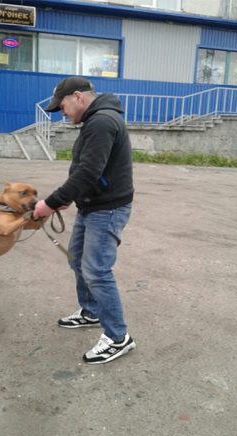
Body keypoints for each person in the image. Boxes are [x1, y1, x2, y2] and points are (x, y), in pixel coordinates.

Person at [33, 76, 135, 364]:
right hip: (92, 205)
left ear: (78, 97)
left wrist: (49, 204)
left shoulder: (101, 122)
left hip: (107, 209)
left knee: (97, 271)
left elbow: (89, 172)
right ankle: (90, 311)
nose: (62, 112)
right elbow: (87, 169)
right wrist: (69, 196)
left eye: (62, 106)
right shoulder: (95, 120)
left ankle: (118, 337)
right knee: (77, 259)